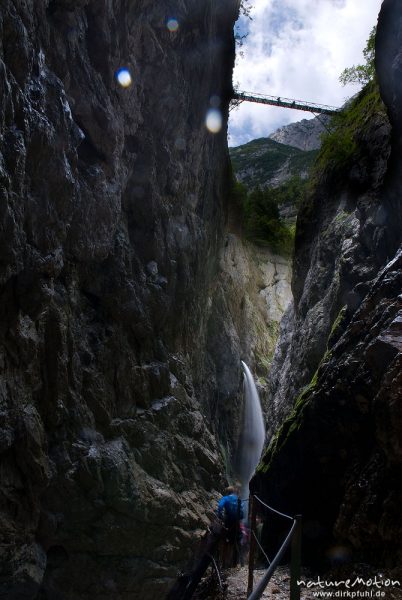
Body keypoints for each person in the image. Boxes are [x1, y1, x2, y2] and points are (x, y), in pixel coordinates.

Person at [217, 486, 244, 567]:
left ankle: (224, 563)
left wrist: (220, 516)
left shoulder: (225, 498)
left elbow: (220, 507)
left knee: (225, 541)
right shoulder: (238, 499)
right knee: (236, 541)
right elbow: (242, 512)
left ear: (227, 492)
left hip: (228, 522)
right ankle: (236, 563)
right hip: (237, 523)